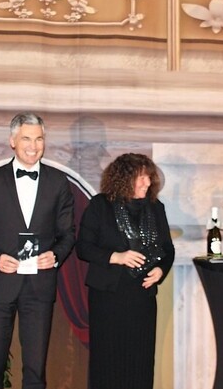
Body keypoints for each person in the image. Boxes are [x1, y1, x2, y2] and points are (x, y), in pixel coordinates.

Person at [0, 112, 75, 389]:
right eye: (26, 138)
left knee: (36, 373)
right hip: (0, 286)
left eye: (39, 139)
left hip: (39, 287)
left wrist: (57, 255)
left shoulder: (58, 182)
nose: (33, 145)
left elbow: (68, 234)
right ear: (12, 141)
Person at [75, 153, 175, 389]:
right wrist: (116, 257)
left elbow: (167, 249)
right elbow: (83, 247)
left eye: (149, 177)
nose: (148, 183)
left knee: (140, 362)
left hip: (142, 298)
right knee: (108, 362)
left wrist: (161, 270)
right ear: (124, 178)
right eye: (141, 177)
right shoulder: (100, 205)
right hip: (108, 298)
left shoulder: (155, 207)